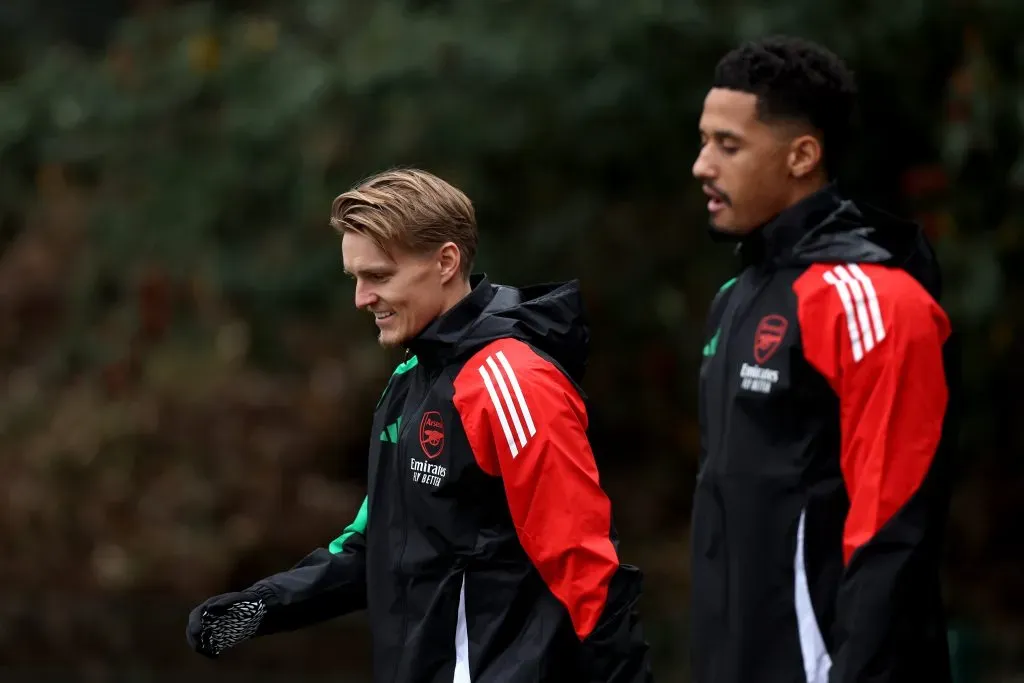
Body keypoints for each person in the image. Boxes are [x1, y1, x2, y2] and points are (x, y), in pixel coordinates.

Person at [185, 168, 653, 682]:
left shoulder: (512, 381)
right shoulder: (411, 378)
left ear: (446, 261)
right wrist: (264, 605)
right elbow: (375, 543)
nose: (362, 298)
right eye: (355, 279)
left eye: (379, 276)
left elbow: (581, 563)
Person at [689, 36, 960, 683]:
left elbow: (894, 530)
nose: (702, 164)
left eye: (728, 145)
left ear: (802, 155)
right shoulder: (735, 298)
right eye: (703, 141)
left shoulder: (874, 300)